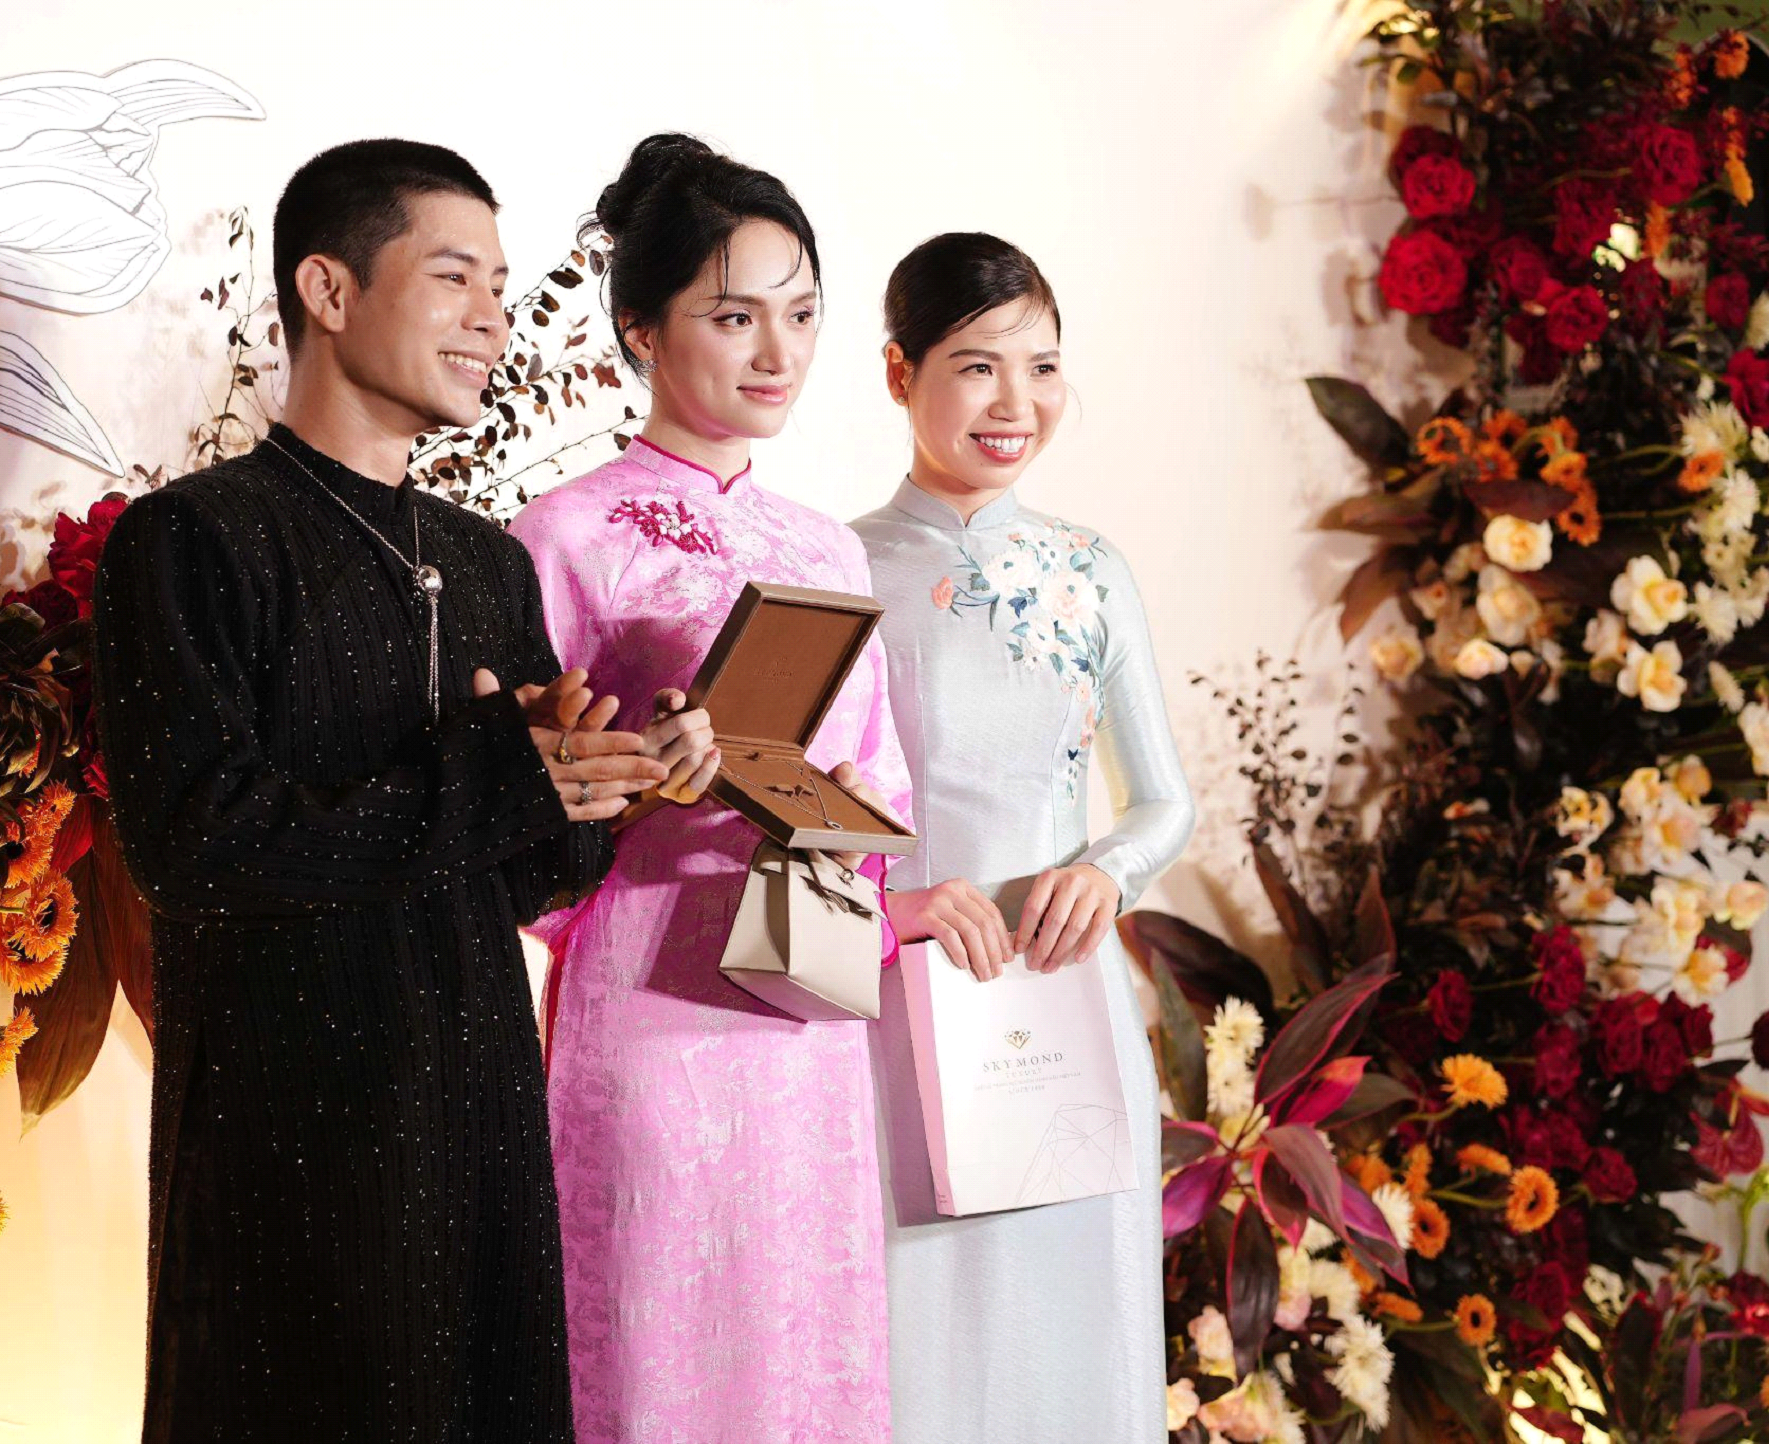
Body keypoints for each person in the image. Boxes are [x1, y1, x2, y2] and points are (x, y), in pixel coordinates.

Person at [92, 138, 672, 1444]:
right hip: (286, 1131)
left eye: (501, 287)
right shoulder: (189, 539)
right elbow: (194, 846)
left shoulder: (487, 564)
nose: (491, 320)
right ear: (328, 289)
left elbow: (524, 880)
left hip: (478, 1115)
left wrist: (594, 789)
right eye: (454, 277)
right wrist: (499, 771)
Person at [507, 134, 913, 1443]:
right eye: (733, 316)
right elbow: (515, 835)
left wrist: (821, 800)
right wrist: (642, 782)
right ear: (640, 326)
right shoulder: (559, 536)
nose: (776, 351)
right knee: (656, 1355)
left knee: (806, 1359)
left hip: (806, 1020)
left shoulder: (828, 549)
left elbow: (884, 795)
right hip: (648, 1012)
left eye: (800, 313)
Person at [851, 231, 1195, 1442]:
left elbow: (1163, 800)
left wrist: (1106, 874)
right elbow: (789, 820)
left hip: (1064, 999)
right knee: (917, 1344)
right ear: (898, 372)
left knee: (1072, 1342)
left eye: (1042, 367)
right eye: (977, 366)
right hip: (897, 1010)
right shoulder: (834, 568)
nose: (1016, 402)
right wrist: (885, 912)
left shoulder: (1090, 570)